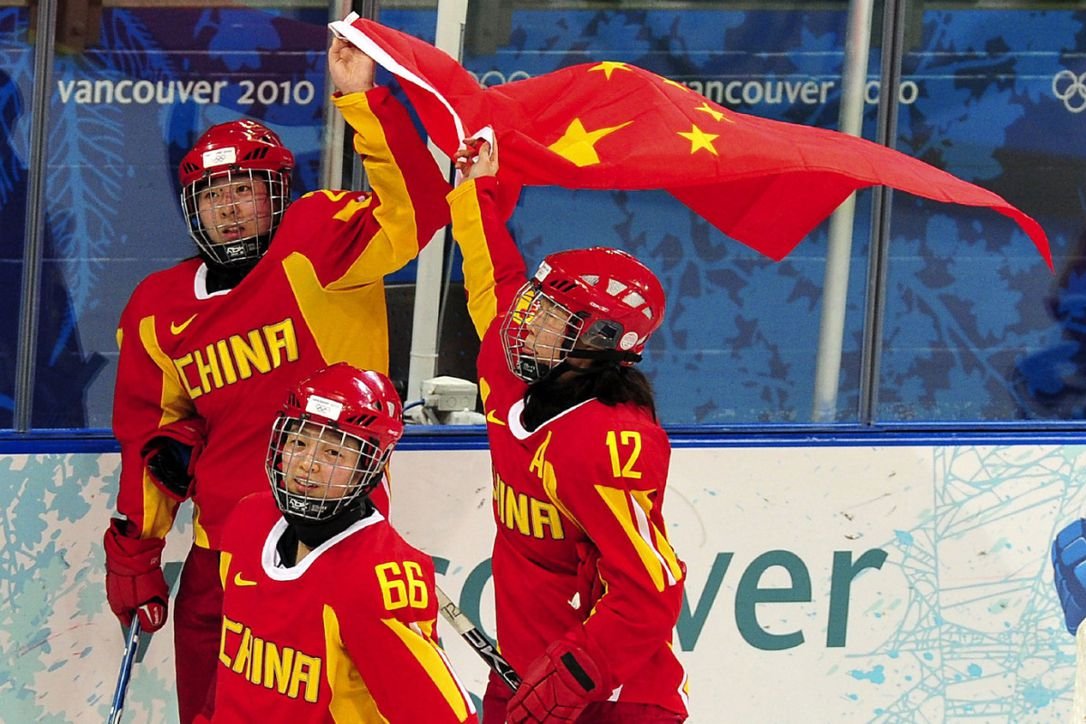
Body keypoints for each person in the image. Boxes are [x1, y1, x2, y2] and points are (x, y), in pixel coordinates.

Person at [103, 37, 451, 724]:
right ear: (191, 209)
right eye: (214, 196)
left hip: (332, 545)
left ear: (279, 194)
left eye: (245, 191)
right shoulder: (158, 307)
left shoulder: (319, 239)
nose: (230, 209)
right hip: (219, 554)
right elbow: (146, 430)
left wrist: (359, 99)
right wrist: (137, 553)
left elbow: (419, 209)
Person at [446, 137, 688, 723]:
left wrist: (574, 675)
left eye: (553, 317)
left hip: (613, 695)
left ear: (600, 343)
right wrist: (479, 187)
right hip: (526, 679)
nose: (528, 322)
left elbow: (650, 590)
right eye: (537, 303)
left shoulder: (606, 441)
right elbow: (492, 280)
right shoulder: (511, 371)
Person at [200, 362, 474, 723]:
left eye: (333, 453)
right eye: (298, 441)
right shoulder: (247, 521)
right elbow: (232, 672)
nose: (307, 464)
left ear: (372, 464)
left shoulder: (378, 577)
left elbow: (441, 716)